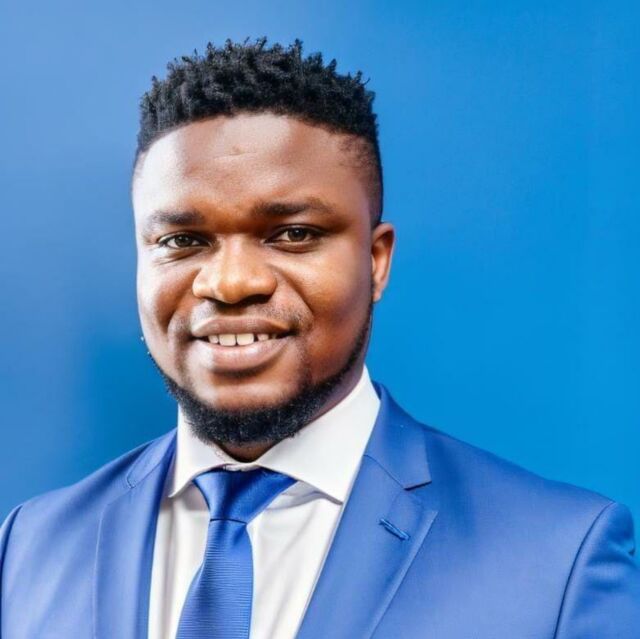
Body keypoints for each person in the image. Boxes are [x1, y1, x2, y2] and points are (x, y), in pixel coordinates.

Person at [0, 38, 638, 639]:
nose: (231, 282)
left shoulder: (560, 562)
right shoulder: (28, 547)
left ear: (376, 261)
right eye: (182, 240)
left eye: (293, 234)